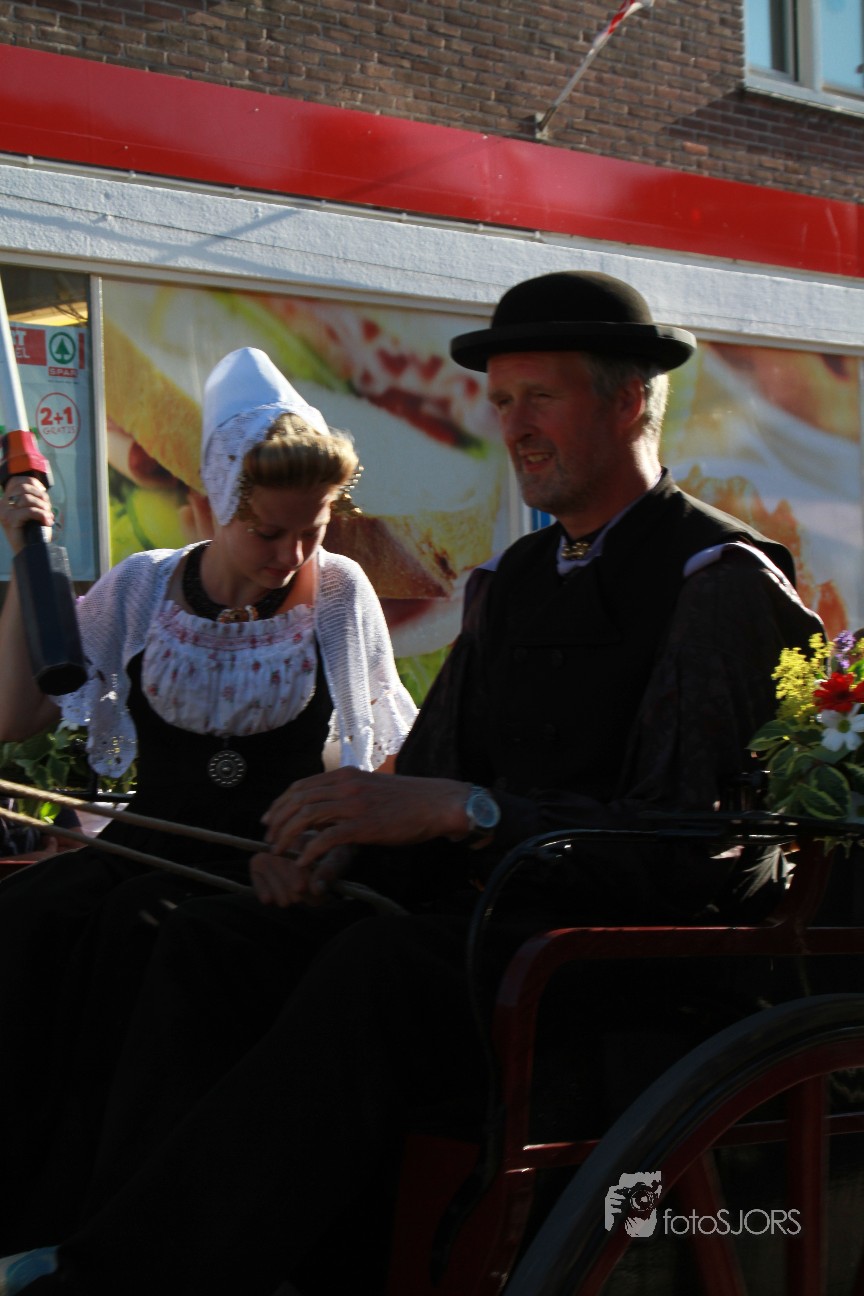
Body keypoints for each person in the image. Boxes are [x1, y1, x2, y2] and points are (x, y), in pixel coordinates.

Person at [0, 272, 824, 1296]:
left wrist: (471, 813)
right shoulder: (516, 579)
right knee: (212, 936)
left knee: (376, 966)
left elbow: (693, 855)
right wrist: (332, 846)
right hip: (488, 923)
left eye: (541, 397)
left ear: (628, 402)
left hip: (608, 963)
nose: (512, 426)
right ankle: (112, 1237)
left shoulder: (718, 580)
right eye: (502, 400)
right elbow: (426, 778)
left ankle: (126, 1279)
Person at [0, 347, 416, 1254]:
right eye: (267, 532)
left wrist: (327, 853)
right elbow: (16, 714)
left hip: (262, 870)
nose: (291, 555)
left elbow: (382, 764)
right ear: (216, 503)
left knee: (139, 940)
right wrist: (26, 551)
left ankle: (104, 1232)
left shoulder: (338, 595)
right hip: (145, 848)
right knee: (24, 921)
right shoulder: (144, 586)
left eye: (313, 530)